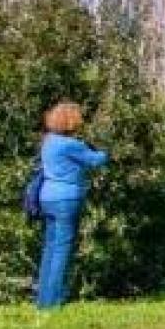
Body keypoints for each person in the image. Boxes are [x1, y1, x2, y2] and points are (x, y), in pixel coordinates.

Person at [35, 101, 109, 309]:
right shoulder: (70, 144)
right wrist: (105, 150)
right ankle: (53, 303)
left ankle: (43, 300)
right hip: (66, 198)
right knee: (61, 250)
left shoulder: (48, 140)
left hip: (47, 196)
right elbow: (96, 160)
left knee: (50, 248)